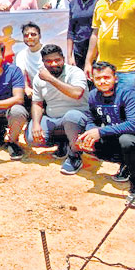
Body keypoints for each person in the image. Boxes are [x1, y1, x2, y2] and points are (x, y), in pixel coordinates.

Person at [77, 62, 135, 209]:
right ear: (92, 79)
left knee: (127, 140)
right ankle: (127, 164)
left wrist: (99, 132)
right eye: (98, 78)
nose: (103, 81)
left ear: (115, 78)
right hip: (122, 136)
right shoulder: (93, 96)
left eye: (107, 77)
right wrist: (90, 134)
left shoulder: (129, 93)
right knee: (96, 144)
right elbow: (91, 119)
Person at [28, 45, 89, 174]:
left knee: (71, 117)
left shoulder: (75, 72)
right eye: (48, 61)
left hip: (77, 120)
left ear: (63, 59)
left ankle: (75, 155)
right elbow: (37, 103)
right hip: (54, 119)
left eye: (57, 60)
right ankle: (64, 142)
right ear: (43, 62)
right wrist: (36, 124)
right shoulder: (39, 78)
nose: (53, 64)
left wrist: (50, 79)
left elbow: (76, 93)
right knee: (31, 138)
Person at [66, 0, 105, 70]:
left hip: (100, 52)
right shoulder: (73, 2)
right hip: (79, 52)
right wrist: (70, 56)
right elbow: (71, 30)